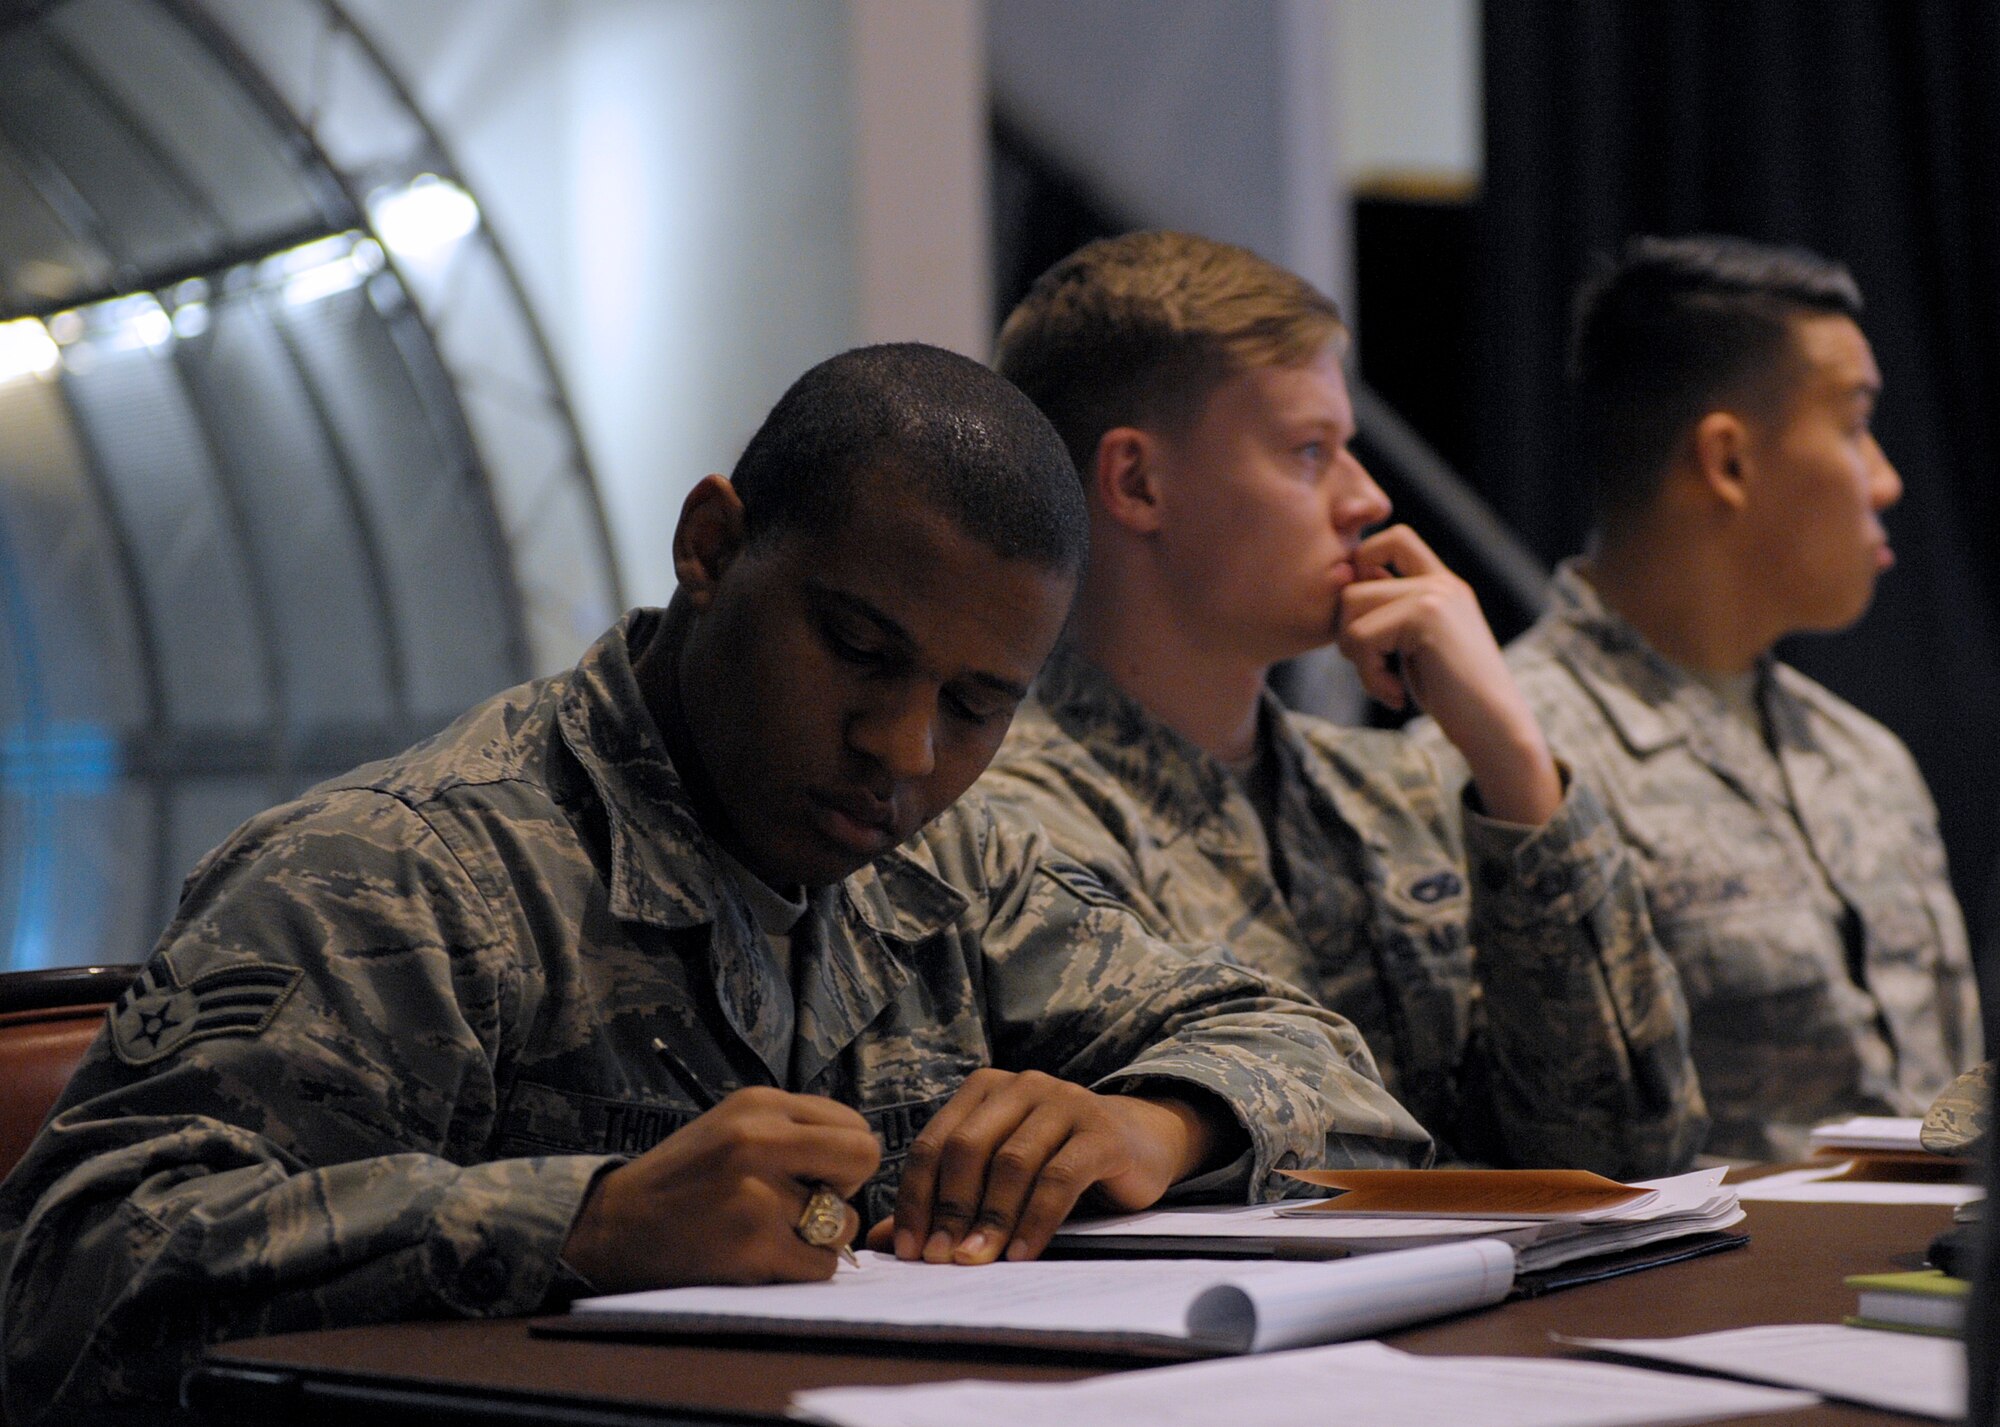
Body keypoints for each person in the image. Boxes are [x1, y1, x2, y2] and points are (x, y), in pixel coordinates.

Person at [0, 344, 1426, 1424]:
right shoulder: (403, 876)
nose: (904, 747)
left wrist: (1157, 1119)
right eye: (860, 652)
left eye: (978, 702)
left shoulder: (950, 862)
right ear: (713, 546)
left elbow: (1341, 1080)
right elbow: (63, 1276)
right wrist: (587, 1222)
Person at [978, 231, 1703, 1177]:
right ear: (1138, 482)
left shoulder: (1405, 791)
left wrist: (1515, 758)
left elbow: (1629, 1153)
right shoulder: (1001, 826)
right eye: (1310, 451)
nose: (1366, 498)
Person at [1416, 234, 1979, 1160]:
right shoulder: (1492, 772)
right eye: (1852, 424)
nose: (1885, 477)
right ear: (1727, 461)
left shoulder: (1865, 759)